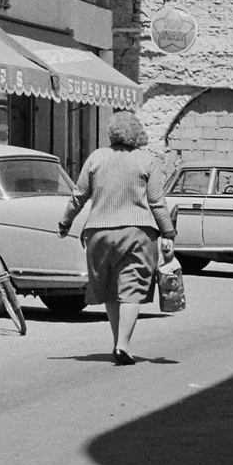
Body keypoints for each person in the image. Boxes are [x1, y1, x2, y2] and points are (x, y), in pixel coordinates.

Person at [57, 111, 175, 365]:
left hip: (99, 234)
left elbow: (79, 195)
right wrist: (168, 232)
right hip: (137, 234)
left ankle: (117, 343)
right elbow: (157, 202)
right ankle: (123, 345)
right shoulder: (147, 161)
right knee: (132, 289)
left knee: (111, 289)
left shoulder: (96, 158)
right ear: (136, 133)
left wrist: (66, 222)